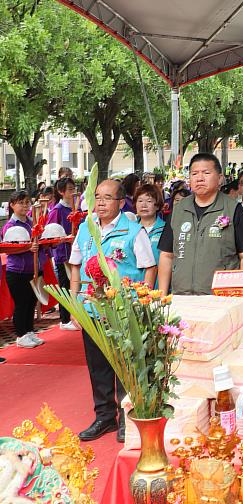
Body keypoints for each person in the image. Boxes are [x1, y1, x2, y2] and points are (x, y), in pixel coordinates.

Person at [69, 179, 157, 442]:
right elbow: (75, 265)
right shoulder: (86, 229)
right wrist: (74, 302)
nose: (101, 203)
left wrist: (143, 301)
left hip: (122, 312)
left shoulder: (133, 231)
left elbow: (148, 267)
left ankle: (125, 417)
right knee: (98, 367)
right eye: (98, 197)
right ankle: (104, 417)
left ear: (121, 202)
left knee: (124, 367)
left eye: (108, 198)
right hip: (91, 310)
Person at [158, 153, 243, 295]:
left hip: (221, 298)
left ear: (220, 178)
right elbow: (166, 255)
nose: (199, 178)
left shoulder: (234, 209)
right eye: (194, 173)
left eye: (206, 173)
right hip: (181, 296)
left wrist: (242, 295)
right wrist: (162, 295)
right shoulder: (179, 209)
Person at [2, 191, 46, 349]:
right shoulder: (10, 226)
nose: (25, 206)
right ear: (12, 205)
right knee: (21, 303)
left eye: (27, 202)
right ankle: (21, 335)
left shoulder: (32, 223)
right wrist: (27, 247)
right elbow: (7, 249)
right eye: (21, 203)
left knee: (31, 302)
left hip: (33, 269)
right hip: (17, 271)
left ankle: (29, 331)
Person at [46, 177, 79, 330]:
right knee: (65, 287)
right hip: (63, 254)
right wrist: (66, 239)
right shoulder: (57, 210)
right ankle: (64, 320)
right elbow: (50, 233)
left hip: (75, 253)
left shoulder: (74, 208)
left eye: (74, 189)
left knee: (75, 285)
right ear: (61, 192)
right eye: (70, 189)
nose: (73, 192)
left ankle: (74, 316)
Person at [134, 183, 166, 278]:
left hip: (158, 287)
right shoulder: (129, 230)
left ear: (157, 205)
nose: (143, 205)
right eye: (140, 201)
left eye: (149, 201)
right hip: (131, 288)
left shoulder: (166, 230)